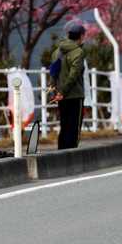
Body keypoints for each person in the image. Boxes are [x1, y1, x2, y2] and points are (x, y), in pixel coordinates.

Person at [51, 21, 86, 149]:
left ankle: (61, 152)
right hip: (75, 94)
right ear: (81, 36)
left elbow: (53, 72)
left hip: (61, 96)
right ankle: (72, 153)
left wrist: (56, 91)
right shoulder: (78, 52)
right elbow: (74, 74)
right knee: (74, 128)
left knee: (64, 125)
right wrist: (64, 91)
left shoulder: (57, 51)